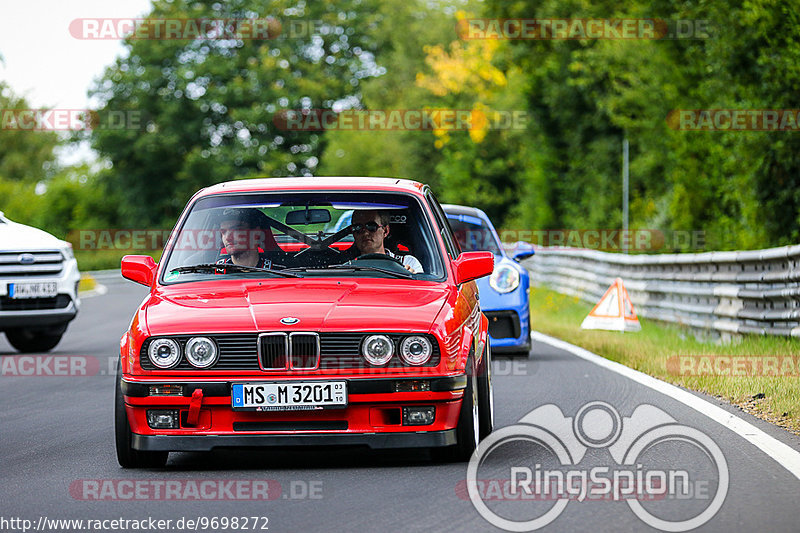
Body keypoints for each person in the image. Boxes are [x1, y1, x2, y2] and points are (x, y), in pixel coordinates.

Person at [349, 209, 423, 273]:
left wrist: (411, 276)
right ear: (353, 233)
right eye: (358, 228)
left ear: (386, 231)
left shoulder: (408, 263)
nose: (365, 233)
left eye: (371, 226)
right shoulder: (344, 267)